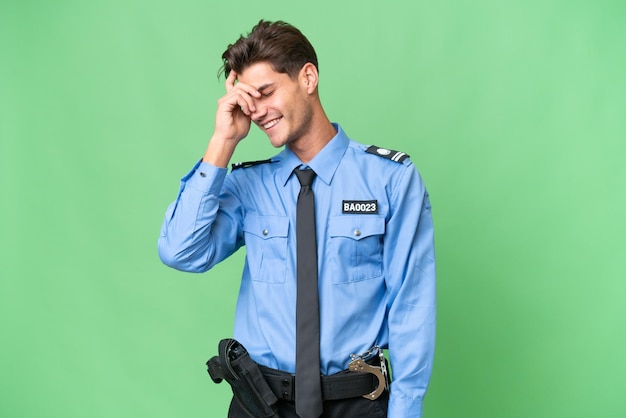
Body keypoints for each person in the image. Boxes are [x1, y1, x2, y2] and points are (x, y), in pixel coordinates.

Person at [158, 20, 436, 418]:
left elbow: (412, 306)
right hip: (260, 403)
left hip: (357, 403)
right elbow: (180, 251)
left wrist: (406, 412)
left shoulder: (389, 179)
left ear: (308, 77)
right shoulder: (248, 184)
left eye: (266, 92)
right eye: (249, 99)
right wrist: (222, 143)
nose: (257, 111)